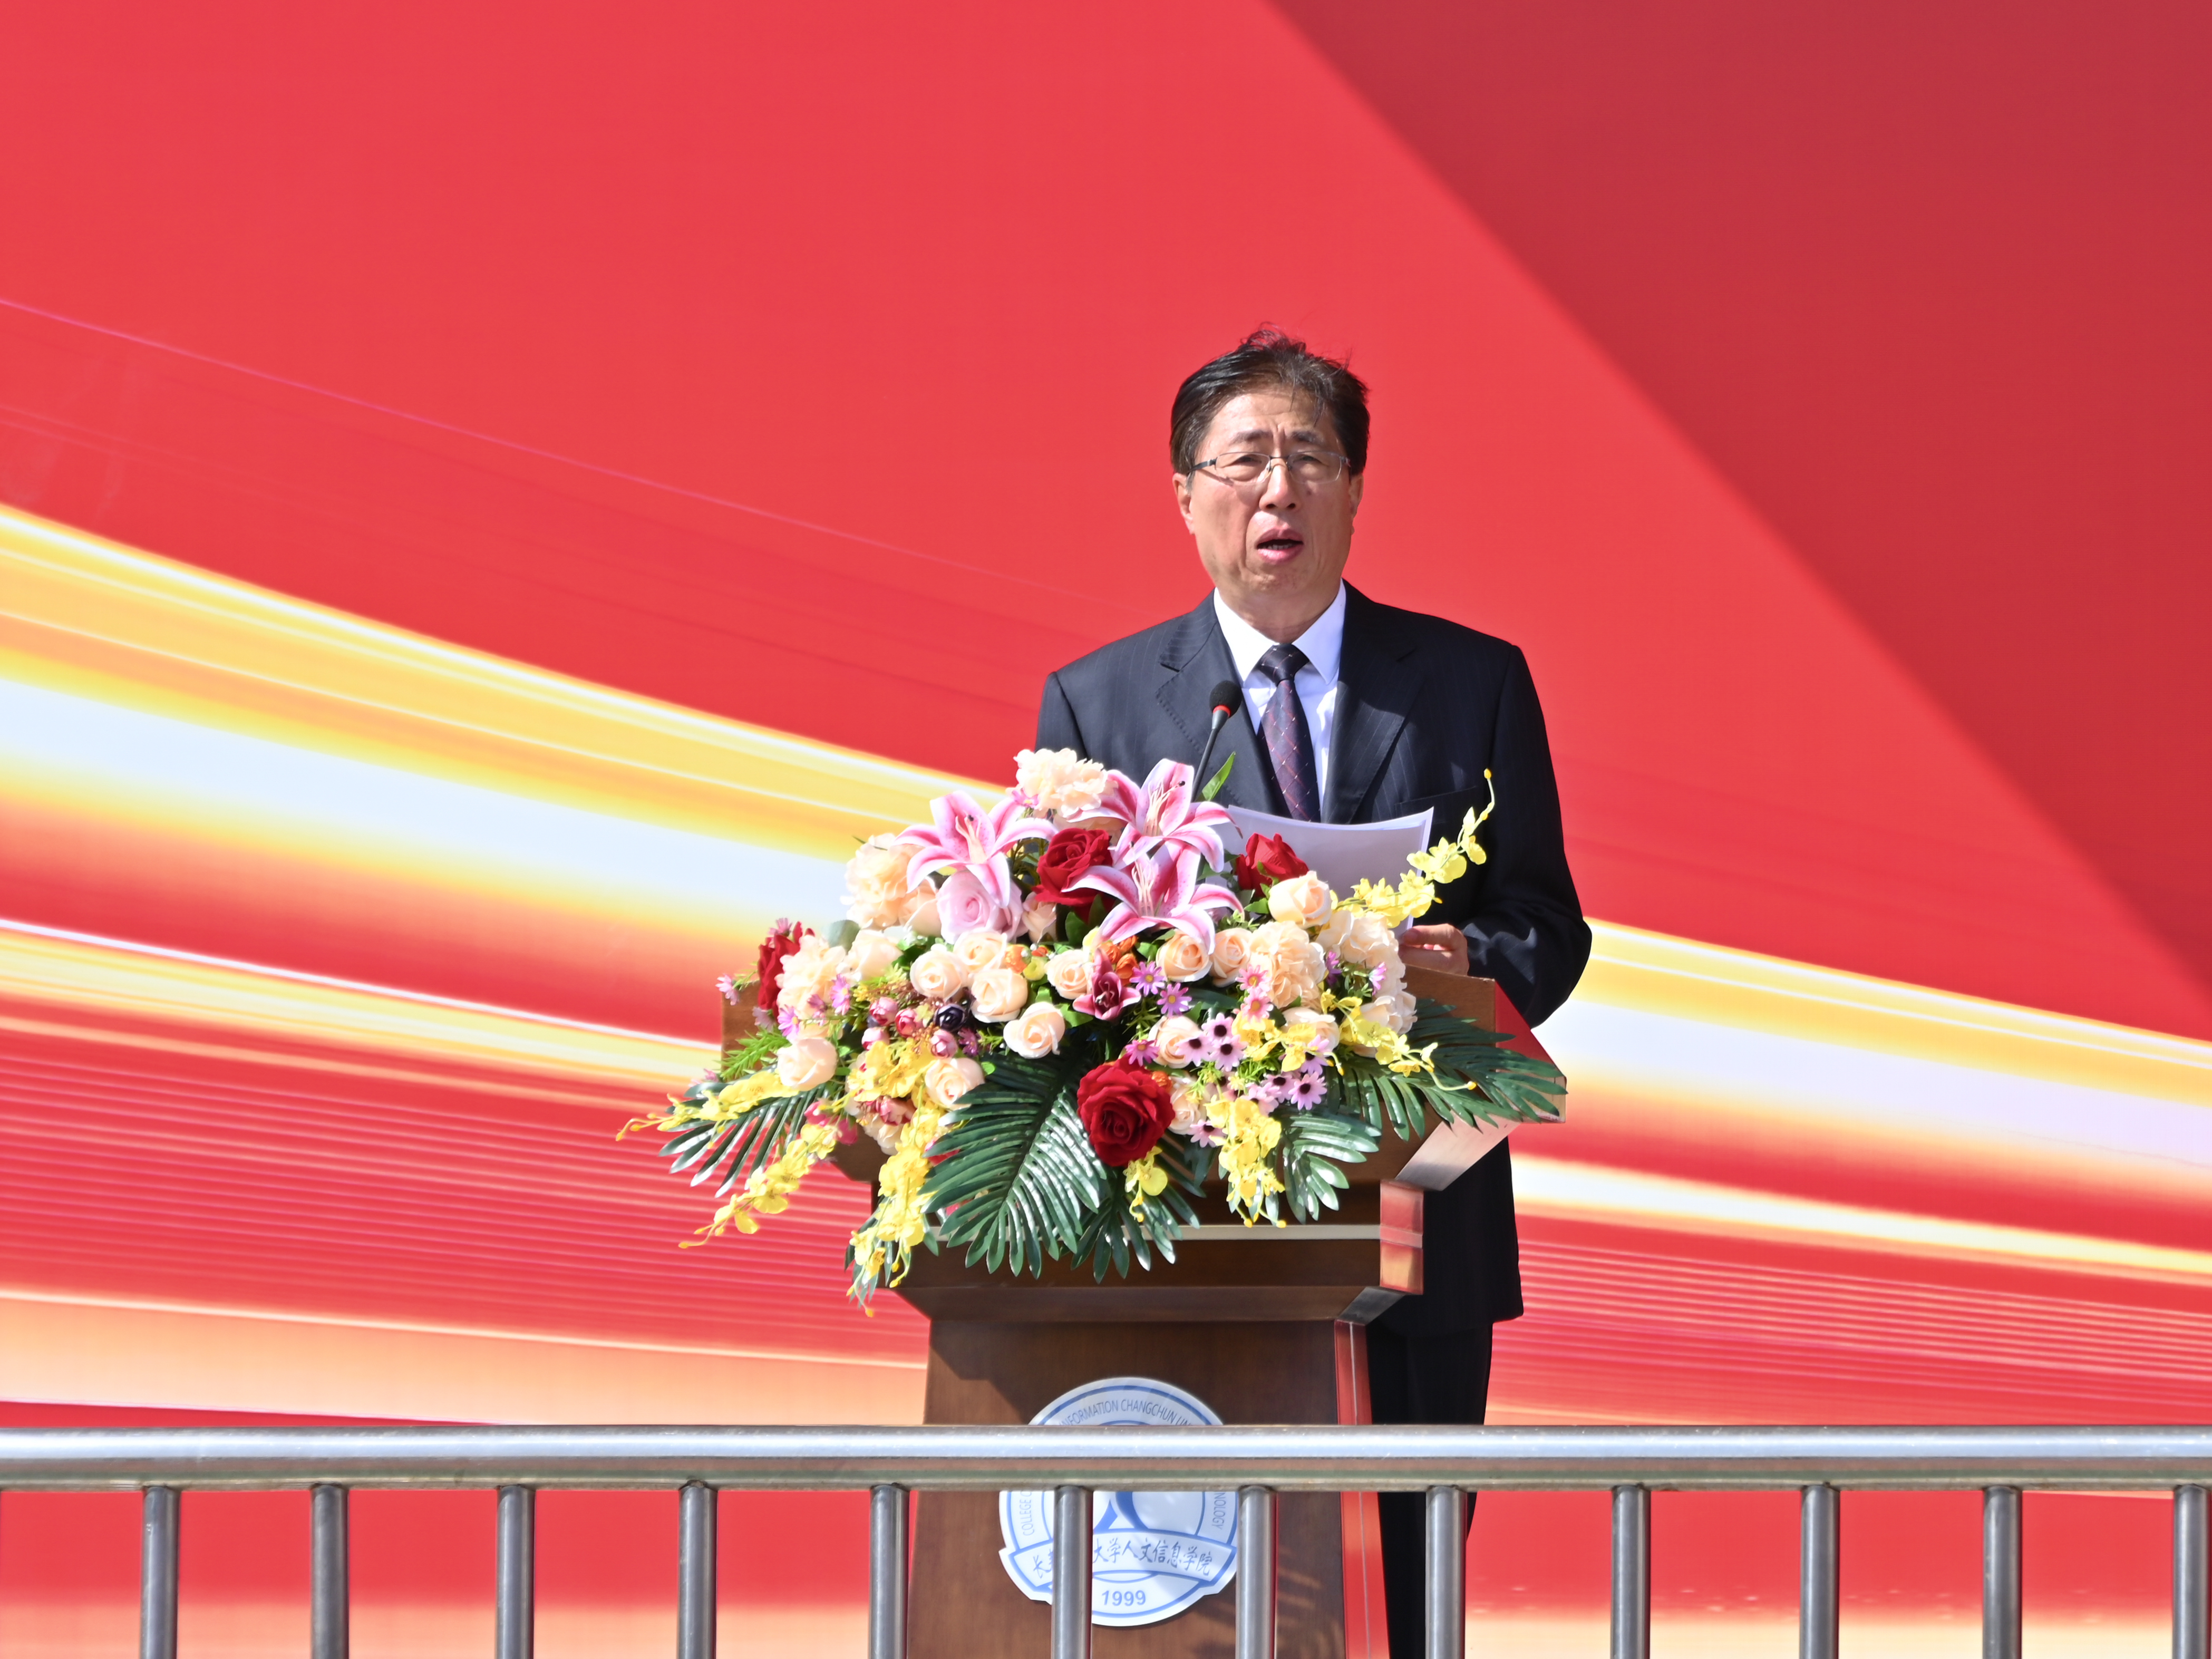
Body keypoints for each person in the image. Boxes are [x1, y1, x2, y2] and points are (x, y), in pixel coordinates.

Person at [1034, 326, 1590, 1656]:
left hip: (1419, 1225)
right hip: (1186, 1240)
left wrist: (1466, 963)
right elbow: (1058, 960)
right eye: (1244, 461)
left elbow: (1547, 926)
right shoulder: (1099, 704)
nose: (1277, 490)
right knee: (1202, 1609)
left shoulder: (1470, 683)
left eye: (1310, 459)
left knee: (1409, 1601)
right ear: (1186, 495)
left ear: (1354, 491)